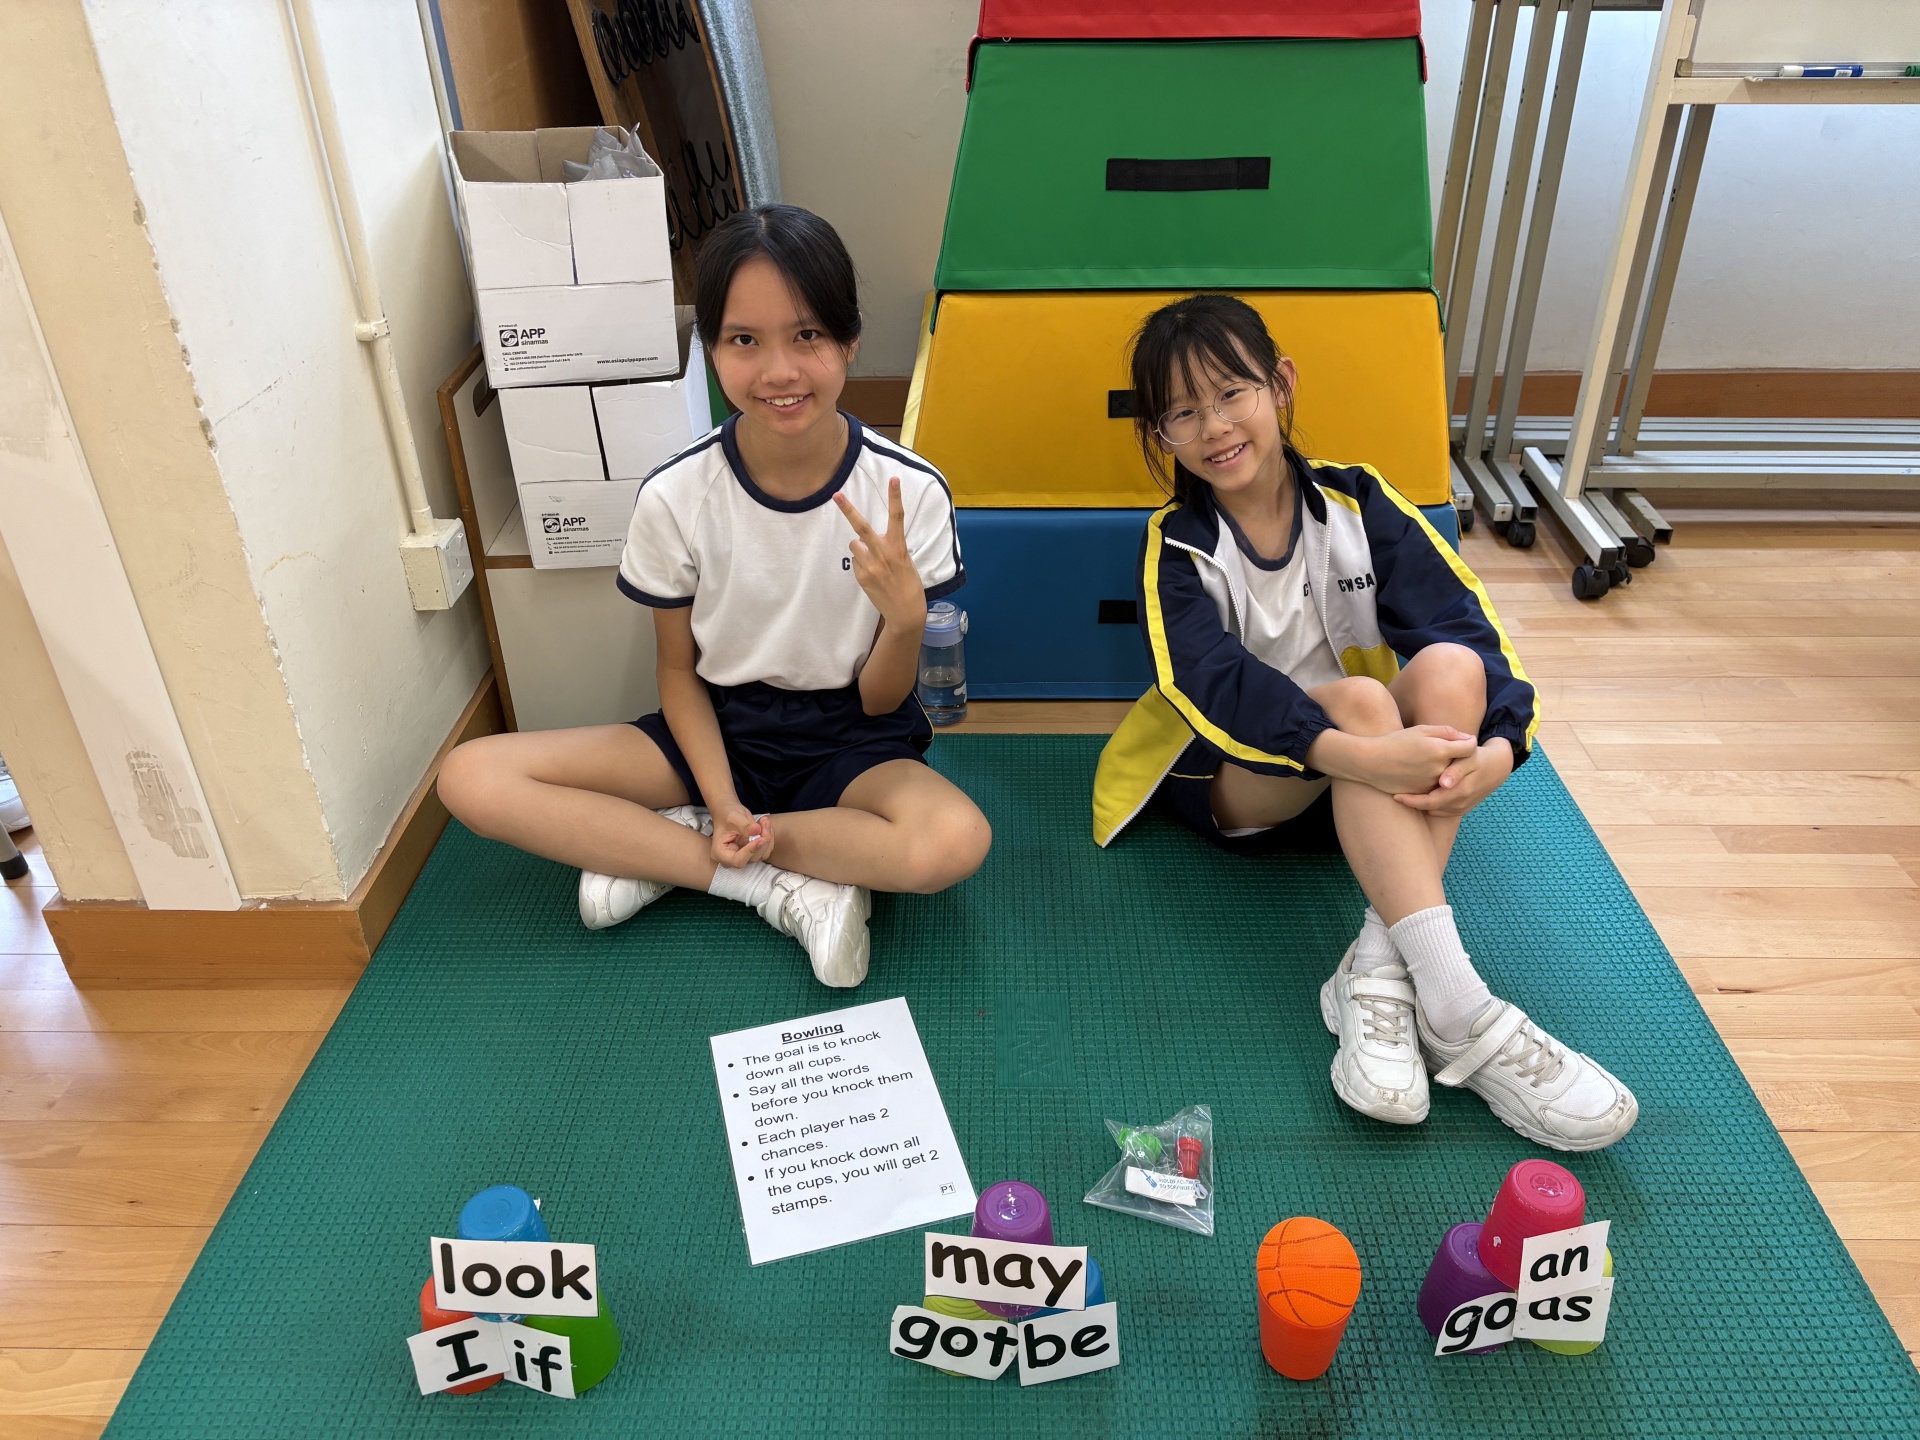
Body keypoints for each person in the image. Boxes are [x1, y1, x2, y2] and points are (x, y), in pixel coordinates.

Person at [1091, 294, 1635, 1152]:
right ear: (1160, 434)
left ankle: (1379, 970)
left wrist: (1502, 747)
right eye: (1182, 414)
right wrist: (1360, 753)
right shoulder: (1178, 543)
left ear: (1280, 384)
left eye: (1231, 393)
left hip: (1378, 796)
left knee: (1452, 669)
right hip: (1248, 786)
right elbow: (1212, 686)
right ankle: (1461, 1007)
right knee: (1360, 700)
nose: (1214, 427)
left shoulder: (1358, 499)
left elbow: (1465, 627)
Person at [439, 204, 991, 988]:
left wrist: (904, 624)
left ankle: (679, 845)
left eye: (807, 335)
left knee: (954, 842)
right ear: (709, 349)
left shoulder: (909, 492)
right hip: (717, 727)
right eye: (744, 340)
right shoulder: (676, 494)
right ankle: (760, 879)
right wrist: (722, 795)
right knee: (470, 776)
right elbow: (676, 671)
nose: (779, 371)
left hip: (852, 743)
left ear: (850, 340)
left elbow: (879, 704)